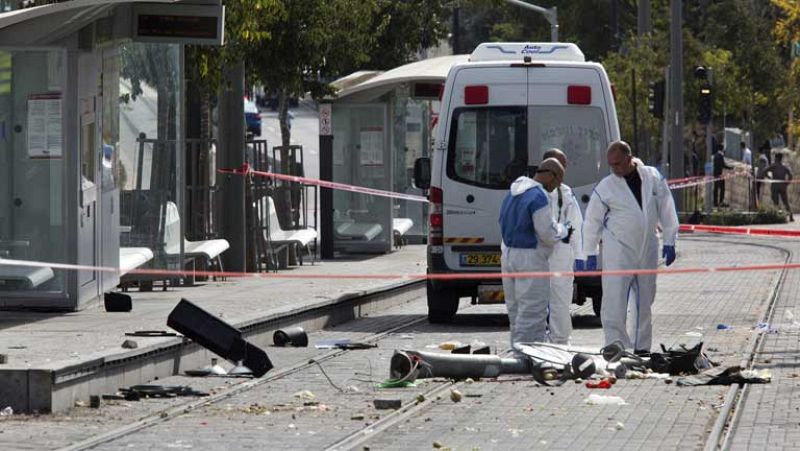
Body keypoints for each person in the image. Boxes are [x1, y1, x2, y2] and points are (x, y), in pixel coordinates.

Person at [581, 141, 679, 354]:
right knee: (614, 299)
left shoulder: (652, 177)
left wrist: (670, 239)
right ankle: (615, 345)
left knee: (645, 301)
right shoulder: (606, 187)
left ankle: (641, 347)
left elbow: (666, 205)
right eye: (610, 165)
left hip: (647, 248)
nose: (614, 169)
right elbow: (592, 221)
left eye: (617, 164)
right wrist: (589, 251)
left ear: (629, 158)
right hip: (618, 250)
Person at [499, 158, 572, 354]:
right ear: (550, 174)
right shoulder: (538, 196)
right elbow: (547, 234)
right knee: (533, 311)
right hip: (530, 258)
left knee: (515, 311)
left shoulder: (513, 193)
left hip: (508, 255)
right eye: (557, 182)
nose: (555, 187)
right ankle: (530, 357)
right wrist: (563, 230)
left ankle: (516, 352)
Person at [541, 148, 584, 345]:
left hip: (560, 255)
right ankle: (537, 341)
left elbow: (576, 223)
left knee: (561, 301)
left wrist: (581, 255)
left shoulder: (566, 193)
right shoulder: (532, 191)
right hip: (539, 254)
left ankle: (560, 342)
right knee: (536, 301)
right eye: (561, 167)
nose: (564, 171)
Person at [767, 152, 794, 221]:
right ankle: (790, 216)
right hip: (783, 186)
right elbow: (790, 175)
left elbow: (764, 171)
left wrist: (769, 177)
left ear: (776, 158)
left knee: (776, 202)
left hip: (775, 186)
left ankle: (777, 216)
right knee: (785, 202)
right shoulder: (784, 166)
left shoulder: (773, 166)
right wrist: (787, 183)